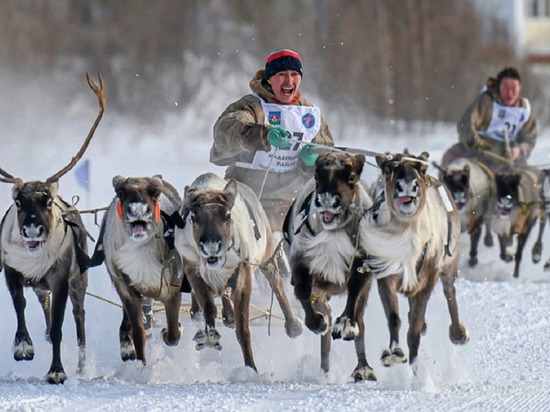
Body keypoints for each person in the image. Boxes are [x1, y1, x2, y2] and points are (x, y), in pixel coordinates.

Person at [211, 48, 334, 232]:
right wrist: (261, 135)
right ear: (269, 78)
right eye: (282, 74)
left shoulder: (309, 114)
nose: (289, 81)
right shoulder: (253, 106)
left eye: (294, 74)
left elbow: (329, 158)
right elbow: (225, 130)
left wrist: (313, 160)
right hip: (247, 205)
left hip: (293, 208)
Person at [441, 67, 537, 167]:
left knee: (530, 177)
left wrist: (519, 149)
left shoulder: (525, 109)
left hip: (508, 155)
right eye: (505, 87)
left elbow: (529, 137)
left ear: (520, 87)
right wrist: (475, 142)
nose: (510, 93)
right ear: (499, 86)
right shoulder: (487, 101)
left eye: (514, 88)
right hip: (480, 150)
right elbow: (466, 123)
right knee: (450, 160)